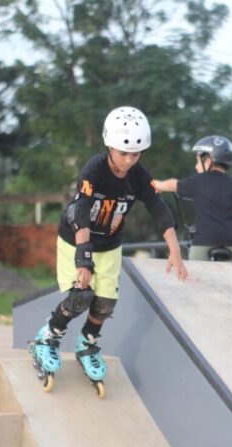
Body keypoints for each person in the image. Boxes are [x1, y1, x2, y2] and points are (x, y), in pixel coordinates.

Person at [30, 106, 188, 394]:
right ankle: (47, 338)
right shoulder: (94, 171)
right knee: (81, 296)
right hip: (76, 238)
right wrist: (83, 259)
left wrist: (174, 249)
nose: (129, 161)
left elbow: (157, 207)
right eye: (123, 153)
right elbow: (81, 213)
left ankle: (87, 345)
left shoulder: (138, 176)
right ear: (109, 145)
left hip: (110, 245)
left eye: (136, 154)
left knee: (105, 304)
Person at [153, 135, 232, 262]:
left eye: (198, 162)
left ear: (208, 161)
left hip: (205, 240)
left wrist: (155, 185)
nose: (196, 167)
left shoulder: (198, 181)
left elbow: (172, 185)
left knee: (197, 278)